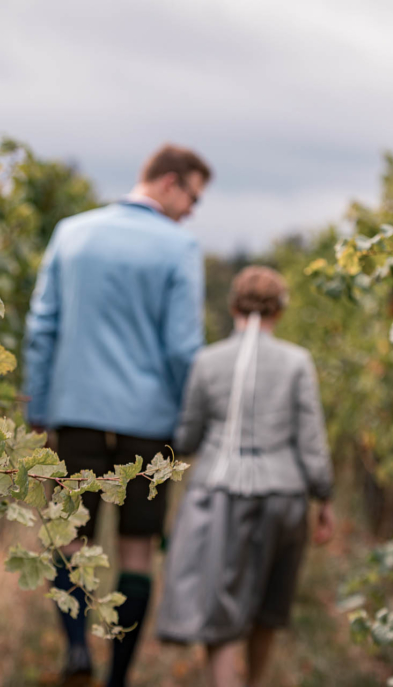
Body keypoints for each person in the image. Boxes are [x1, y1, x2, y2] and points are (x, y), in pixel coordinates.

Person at [23, 144, 211, 687]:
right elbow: (182, 349)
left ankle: (78, 649)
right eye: (193, 196)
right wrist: (188, 419)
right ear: (171, 183)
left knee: (72, 536)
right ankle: (117, 677)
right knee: (136, 547)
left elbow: (42, 327)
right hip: (149, 423)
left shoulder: (72, 232)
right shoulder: (179, 247)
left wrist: (38, 403)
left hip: (75, 412)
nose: (193, 210)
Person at [156, 266, 336, 687]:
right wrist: (324, 497)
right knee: (267, 607)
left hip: (220, 495)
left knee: (221, 608)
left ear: (233, 305)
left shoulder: (208, 361)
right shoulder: (297, 363)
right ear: (281, 311)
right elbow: (311, 439)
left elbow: (186, 436)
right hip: (285, 496)